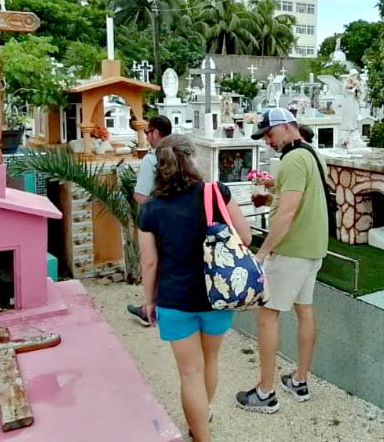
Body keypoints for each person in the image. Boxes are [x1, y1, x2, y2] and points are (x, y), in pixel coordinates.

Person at [137, 135, 253, 442]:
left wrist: (148, 301)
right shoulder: (216, 193)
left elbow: (149, 264)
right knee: (210, 361)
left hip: (175, 300)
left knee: (189, 372)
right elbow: (247, 236)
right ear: (191, 159)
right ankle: (203, 414)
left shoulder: (150, 210)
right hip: (217, 294)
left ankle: (202, 434)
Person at [237, 107, 328, 413]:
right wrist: (272, 194)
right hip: (314, 248)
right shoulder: (313, 155)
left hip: (290, 251)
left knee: (266, 315)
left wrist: (262, 254)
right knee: (305, 311)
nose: (267, 141)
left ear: (288, 128)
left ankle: (265, 393)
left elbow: (288, 213)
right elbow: (300, 194)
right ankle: (299, 381)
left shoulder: (291, 160)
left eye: (269, 134)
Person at [127, 115, 173, 326]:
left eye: (147, 132)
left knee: (152, 263)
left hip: (156, 221)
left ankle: (149, 308)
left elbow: (141, 196)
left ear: (155, 133)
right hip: (182, 217)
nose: (146, 136)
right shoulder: (180, 155)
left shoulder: (151, 159)